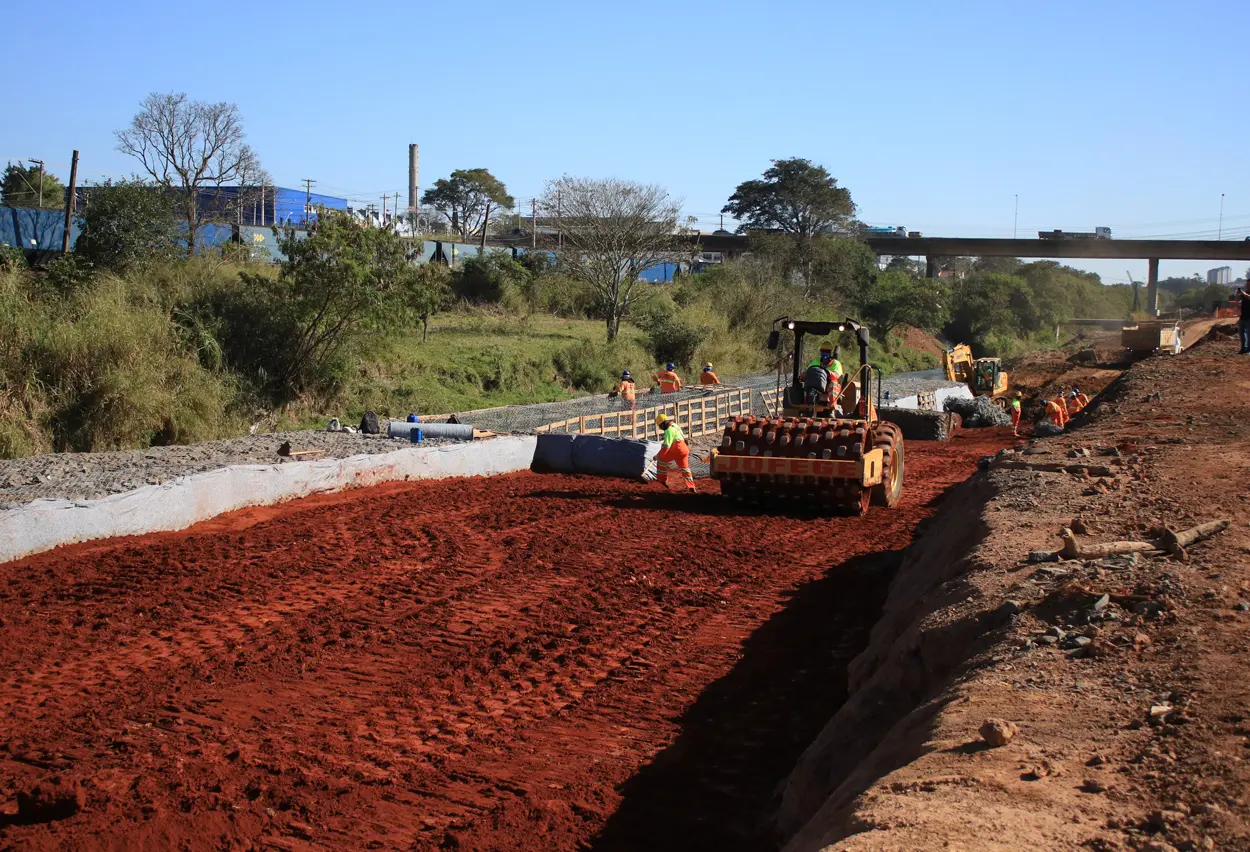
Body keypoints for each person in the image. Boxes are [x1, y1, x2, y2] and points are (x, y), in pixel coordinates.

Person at [654, 413, 696, 493]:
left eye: (660, 426)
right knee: (685, 469)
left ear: (663, 423)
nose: (661, 428)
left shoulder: (669, 431)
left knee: (661, 460)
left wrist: (658, 456)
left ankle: (662, 481)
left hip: (676, 449)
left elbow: (666, 446)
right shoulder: (675, 425)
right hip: (684, 450)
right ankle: (692, 487)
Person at [1239, 285, 1250, 354]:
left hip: (1249, 317)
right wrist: (1238, 293)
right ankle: (1243, 349)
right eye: (1247, 284)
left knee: (1249, 334)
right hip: (1243, 316)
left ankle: (1248, 350)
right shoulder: (1244, 293)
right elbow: (1237, 300)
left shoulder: (1245, 294)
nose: (1247, 285)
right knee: (1241, 333)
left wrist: (1244, 294)